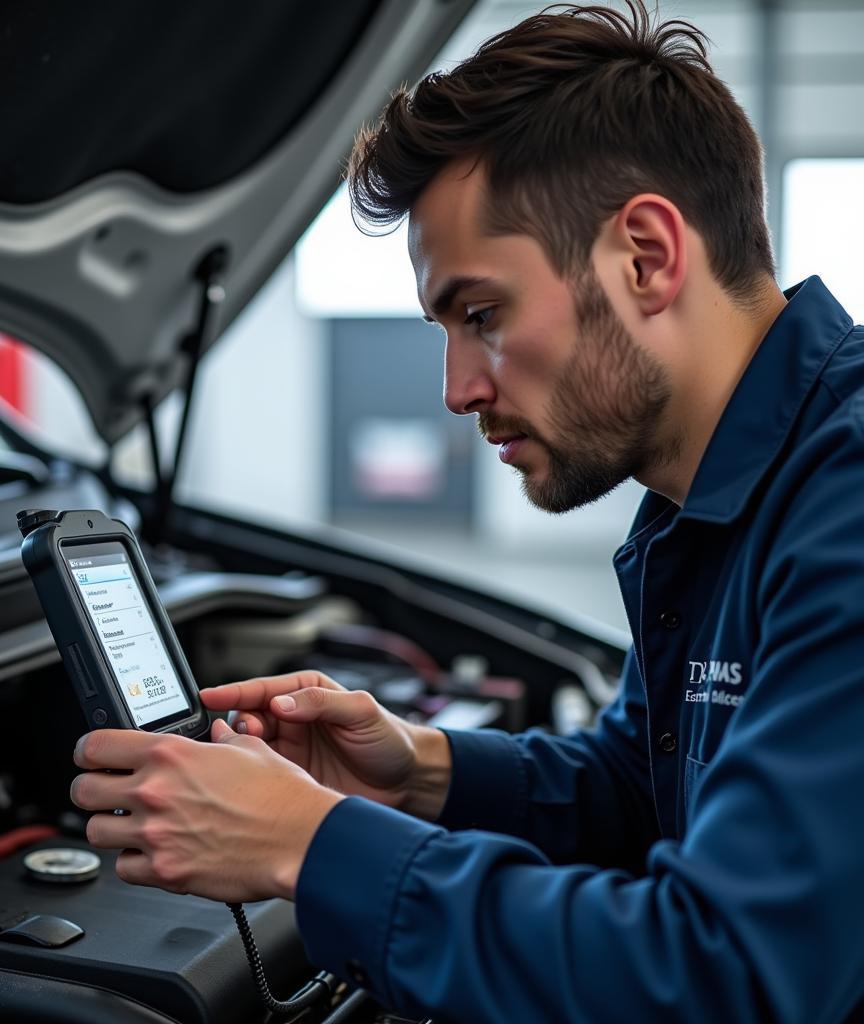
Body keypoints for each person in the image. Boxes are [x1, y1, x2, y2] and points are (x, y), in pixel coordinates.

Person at [69, 3, 864, 1021]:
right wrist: (417, 771)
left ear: (647, 257)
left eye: (481, 315)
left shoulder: (841, 503)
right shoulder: (706, 503)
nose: (455, 388)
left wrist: (308, 844)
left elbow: (725, 975)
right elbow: (646, 785)